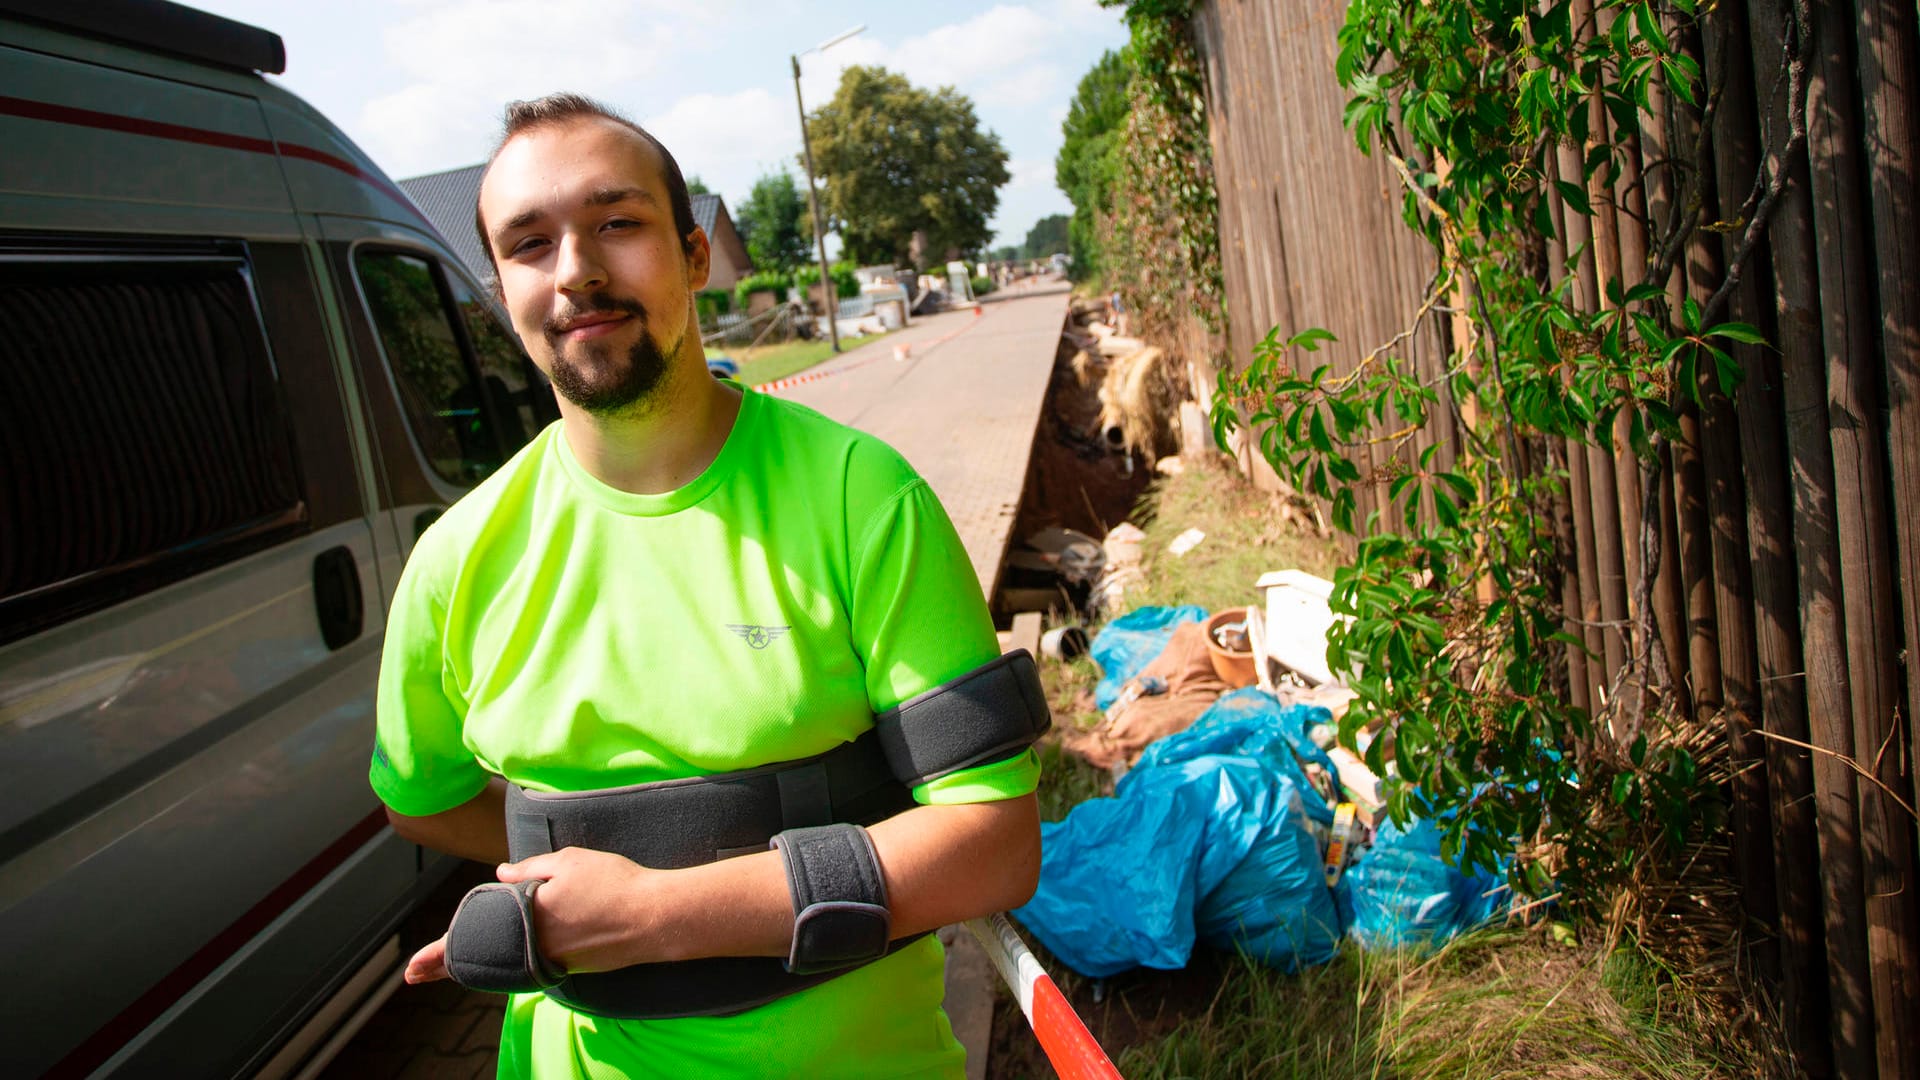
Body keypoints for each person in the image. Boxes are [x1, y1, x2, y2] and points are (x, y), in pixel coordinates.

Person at [369, 93, 1042, 1078]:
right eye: (529, 243)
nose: (577, 271)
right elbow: (420, 798)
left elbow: (992, 845)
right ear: (501, 290)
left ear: (693, 258)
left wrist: (650, 914)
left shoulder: (864, 498)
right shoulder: (454, 562)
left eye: (617, 224)